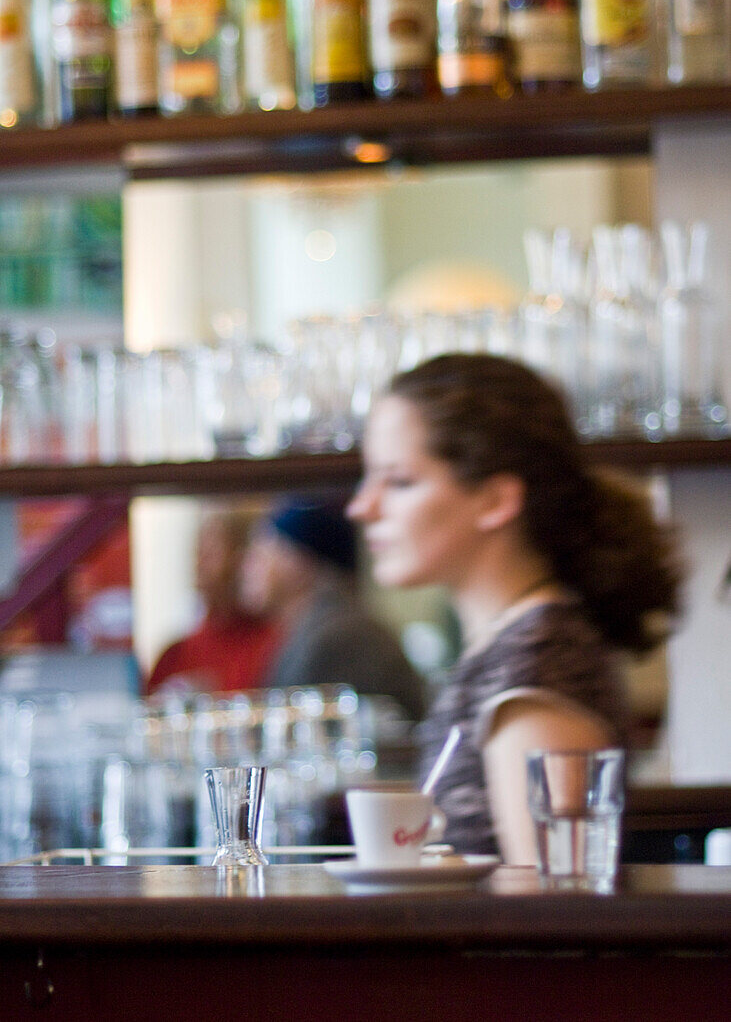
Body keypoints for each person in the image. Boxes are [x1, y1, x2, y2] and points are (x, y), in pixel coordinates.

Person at [347, 353, 682, 862]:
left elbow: (551, 911)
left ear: (496, 500)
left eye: (399, 481)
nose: (361, 507)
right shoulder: (513, 649)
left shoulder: (536, 664)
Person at [239, 495, 428, 721]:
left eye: (264, 548)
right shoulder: (315, 627)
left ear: (300, 561)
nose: (247, 563)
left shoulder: (339, 638)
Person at [147, 508, 280, 695]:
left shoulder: (275, 644)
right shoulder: (175, 656)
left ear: (242, 558)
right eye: (197, 552)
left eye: (211, 553)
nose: (199, 564)